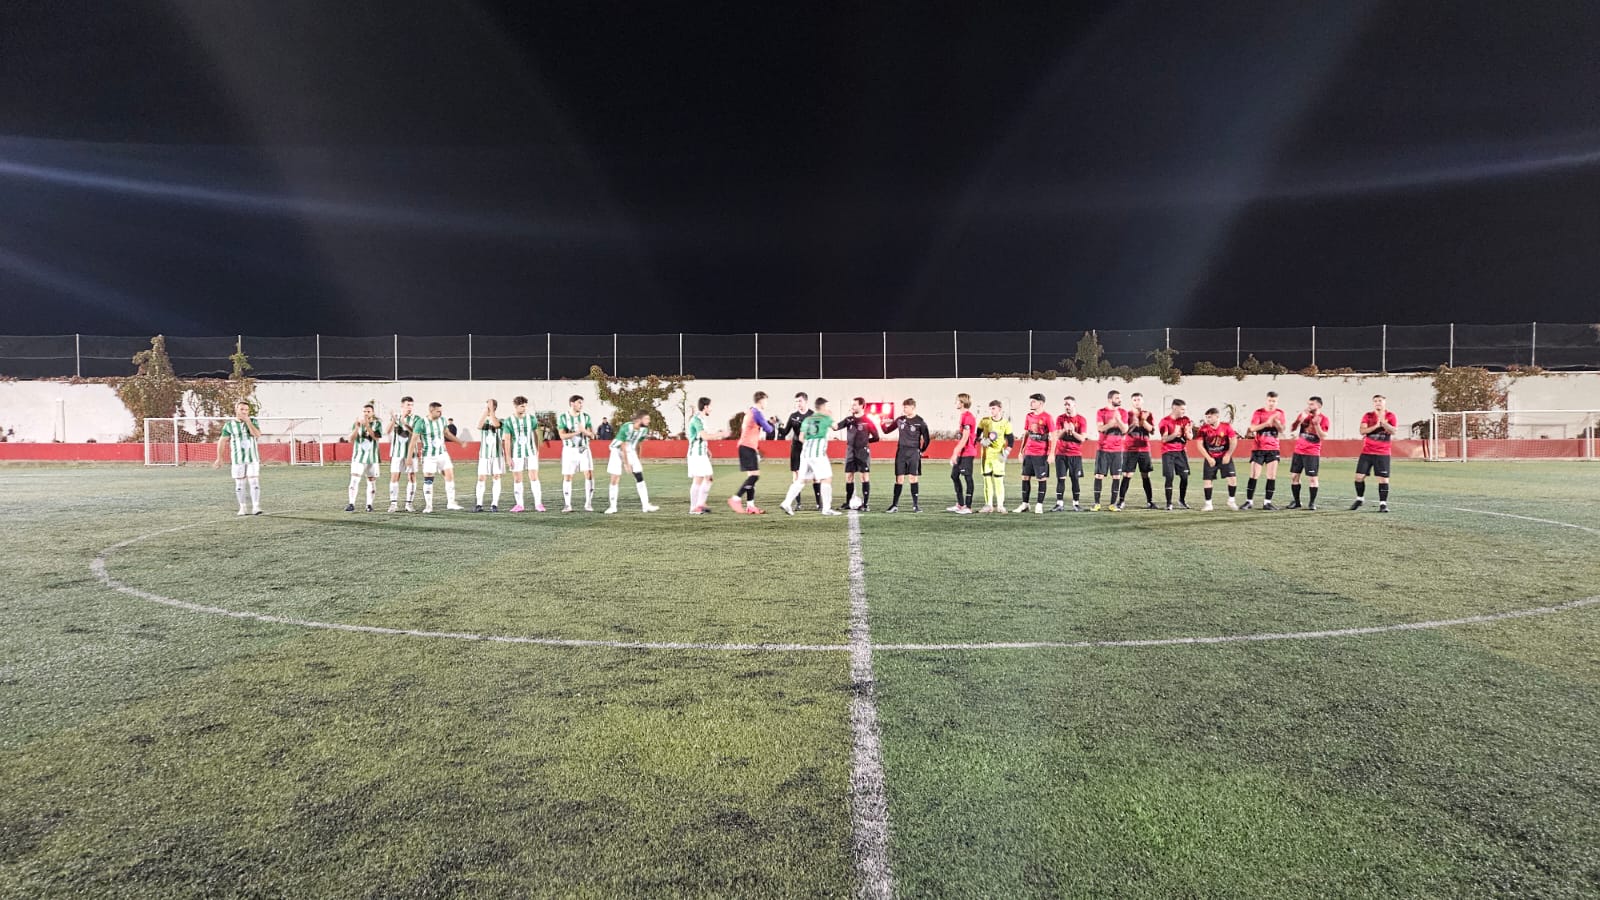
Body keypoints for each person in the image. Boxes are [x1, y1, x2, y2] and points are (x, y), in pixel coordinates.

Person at [780, 397, 842, 516]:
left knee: (801, 479)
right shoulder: (825, 418)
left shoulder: (808, 419)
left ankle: (787, 502)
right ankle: (826, 508)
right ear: (823, 407)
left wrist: (810, 443)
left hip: (805, 453)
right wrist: (831, 416)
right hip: (818, 454)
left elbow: (801, 438)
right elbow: (836, 427)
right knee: (826, 478)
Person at [729, 391, 777, 514]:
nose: (766, 403)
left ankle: (750, 506)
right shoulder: (757, 412)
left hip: (746, 446)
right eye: (766, 400)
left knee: (752, 478)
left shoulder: (750, 411)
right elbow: (769, 429)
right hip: (747, 447)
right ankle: (736, 498)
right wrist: (772, 423)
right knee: (755, 476)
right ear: (761, 400)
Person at [213, 400, 262, 516]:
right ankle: (243, 507)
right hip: (238, 459)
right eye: (242, 409)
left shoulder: (253, 421)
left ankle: (256, 507)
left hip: (252, 458)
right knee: (240, 484)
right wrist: (219, 458)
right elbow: (222, 441)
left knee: (254, 482)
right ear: (236, 410)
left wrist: (248, 422)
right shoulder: (229, 425)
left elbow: (257, 435)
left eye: (246, 410)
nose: (244, 412)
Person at [881, 398, 930, 513]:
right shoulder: (900, 420)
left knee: (913, 478)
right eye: (903, 407)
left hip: (913, 452)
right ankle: (894, 505)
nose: (904, 409)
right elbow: (887, 431)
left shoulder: (920, 421)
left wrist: (921, 450)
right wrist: (882, 424)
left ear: (912, 407)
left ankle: (915, 505)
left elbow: (927, 439)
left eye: (906, 407)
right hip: (901, 452)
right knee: (899, 478)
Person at [605, 410, 660, 513]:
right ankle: (612, 507)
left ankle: (646, 505)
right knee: (615, 478)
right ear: (639, 419)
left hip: (630, 450)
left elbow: (638, 444)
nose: (649, 421)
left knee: (639, 476)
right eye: (646, 418)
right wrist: (626, 464)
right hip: (617, 450)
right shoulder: (627, 427)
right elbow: (622, 445)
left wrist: (637, 459)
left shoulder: (644, 430)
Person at [833, 398, 880, 510]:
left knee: (864, 476)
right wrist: (827, 419)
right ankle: (848, 502)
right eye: (852, 405)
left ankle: (866, 504)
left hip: (863, 452)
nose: (852, 407)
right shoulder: (849, 419)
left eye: (854, 405)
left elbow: (876, 437)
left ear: (861, 406)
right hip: (850, 451)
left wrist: (865, 443)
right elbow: (836, 427)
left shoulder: (868, 420)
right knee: (849, 477)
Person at [418, 402, 466, 512]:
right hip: (429, 455)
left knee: (449, 475)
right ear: (431, 411)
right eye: (438, 411)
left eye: (441, 410)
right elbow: (414, 437)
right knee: (429, 479)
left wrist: (460, 442)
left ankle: (451, 503)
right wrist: (410, 458)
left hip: (442, 453)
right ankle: (428, 506)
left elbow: (447, 433)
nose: (441, 413)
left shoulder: (443, 420)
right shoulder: (422, 422)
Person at [1352, 394, 1397, 512]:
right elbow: (1362, 431)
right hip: (1367, 452)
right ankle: (1360, 499)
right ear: (1373, 403)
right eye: (1376, 401)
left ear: (1384, 402)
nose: (1378, 403)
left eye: (1380, 401)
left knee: (1383, 479)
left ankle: (1383, 504)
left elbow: (1393, 431)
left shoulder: (1390, 416)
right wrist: (1377, 425)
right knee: (1359, 477)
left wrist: (1385, 423)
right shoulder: (1368, 416)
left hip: (1383, 453)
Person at [1242, 391, 1286, 510]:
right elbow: (1252, 428)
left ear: (1277, 401)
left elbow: (1282, 429)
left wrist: (1275, 421)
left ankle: (1267, 502)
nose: (1272, 403)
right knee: (1254, 474)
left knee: (1271, 476)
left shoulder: (1280, 413)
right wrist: (1267, 423)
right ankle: (1249, 502)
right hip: (1259, 448)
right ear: (1266, 400)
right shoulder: (1259, 412)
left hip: (1273, 448)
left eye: (1274, 401)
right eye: (1270, 401)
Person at [502, 395, 545, 513]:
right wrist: (508, 457)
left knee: (534, 477)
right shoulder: (509, 421)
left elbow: (536, 434)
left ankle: (538, 504)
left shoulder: (531, 419)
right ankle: (519, 504)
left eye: (525, 406)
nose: (524, 408)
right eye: (522, 406)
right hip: (516, 454)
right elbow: (507, 439)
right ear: (515, 406)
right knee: (517, 479)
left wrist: (537, 450)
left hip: (530, 453)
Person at [686, 397, 727, 515]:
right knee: (698, 479)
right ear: (705, 407)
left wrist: (707, 449)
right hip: (696, 454)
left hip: (701, 453)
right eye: (710, 406)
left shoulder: (701, 419)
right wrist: (720, 434)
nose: (711, 409)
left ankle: (700, 504)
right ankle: (694, 508)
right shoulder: (697, 420)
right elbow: (704, 436)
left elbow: (699, 437)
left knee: (709, 478)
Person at [1287, 396, 1330, 510]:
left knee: (1312, 478)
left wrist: (1316, 425)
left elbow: (1323, 436)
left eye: (1312, 404)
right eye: (1308, 404)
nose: (1309, 406)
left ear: (1319, 406)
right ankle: (1297, 502)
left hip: (1312, 452)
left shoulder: (1323, 419)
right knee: (1294, 476)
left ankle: (1312, 503)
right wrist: (1299, 420)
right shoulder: (1304, 416)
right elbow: (1292, 428)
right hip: (1298, 451)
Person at [557, 395, 596, 512]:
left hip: (584, 449)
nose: (581, 405)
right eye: (579, 403)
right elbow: (562, 435)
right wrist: (576, 432)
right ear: (572, 403)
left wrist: (585, 431)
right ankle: (568, 505)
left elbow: (593, 435)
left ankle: (588, 503)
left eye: (582, 403)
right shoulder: (563, 417)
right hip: (569, 450)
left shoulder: (586, 417)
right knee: (568, 475)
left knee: (589, 474)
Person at [1014, 393, 1052, 514]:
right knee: (1025, 477)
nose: (1031, 403)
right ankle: (1025, 504)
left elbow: (1053, 436)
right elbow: (1026, 434)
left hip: (1041, 454)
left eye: (1033, 401)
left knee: (1041, 478)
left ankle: (1039, 505)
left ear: (1040, 403)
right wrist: (1021, 451)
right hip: (1029, 453)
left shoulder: (1047, 417)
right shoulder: (1028, 416)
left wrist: (1051, 454)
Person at [1197, 407, 1240, 511]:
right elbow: (1199, 445)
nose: (1208, 419)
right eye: (1207, 417)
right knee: (1208, 481)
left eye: (1210, 417)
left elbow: (1233, 441)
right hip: (1211, 457)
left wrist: (1228, 455)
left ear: (1217, 416)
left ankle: (1231, 500)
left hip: (1224, 457)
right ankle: (1208, 504)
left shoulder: (1226, 427)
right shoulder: (1203, 429)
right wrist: (1208, 458)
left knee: (1232, 479)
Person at [386, 396, 424, 513]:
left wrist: (404, 423)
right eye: (408, 405)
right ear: (402, 406)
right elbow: (387, 431)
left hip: (411, 453)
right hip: (397, 453)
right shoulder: (396, 417)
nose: (410, 407)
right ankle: (393, 504)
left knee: (411, 476)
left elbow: (416, 433)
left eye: (411, 405)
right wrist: (393, 420)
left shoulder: (417, 418)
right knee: (394, 476)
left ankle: (409, 504)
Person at [1093, 389, 1128, 511]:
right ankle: (1096, 503)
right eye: (1117, 398)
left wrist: (1118, 421)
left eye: (1120, 398)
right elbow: (1100, 428)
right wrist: (1111, 423)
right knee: (1099, 475)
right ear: (1110, 399)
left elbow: (1124, 430)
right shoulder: (1101, 412)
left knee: (1116, 476)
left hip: (1117, 450)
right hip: (1103, 449)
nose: (1120, 400)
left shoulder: (1123, 412)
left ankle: (1113, 504)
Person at [1051, 396, 1088, 512]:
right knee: (1061, 479)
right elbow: (1056, 436)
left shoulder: (1081, 419)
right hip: (1061, 454)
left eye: (1069, 404)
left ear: (1074, 405)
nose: (1067, 407)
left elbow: (1082, 438)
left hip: (1075, 455)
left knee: (1075, 479)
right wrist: (1064, 430)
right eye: (1065, 404)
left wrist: (1072, 431)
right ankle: (1059, 504)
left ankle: (1076, 504)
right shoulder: (1060, 419)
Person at [1120, 392, 1157, 509]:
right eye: (1135, 400)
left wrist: (1143, 421)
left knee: (1146, 475)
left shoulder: (1148, 414)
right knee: (1127, 474)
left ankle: (1150, 501)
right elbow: (1123, 431)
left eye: (1139, 399)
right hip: (1130, 449)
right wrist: (1132, 425)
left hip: (1144, 449)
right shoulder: (1126, 414)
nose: (1137, 402)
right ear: (1132, 401)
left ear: (1143, 401)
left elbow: (1152, 430)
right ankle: (1121, 501)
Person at [976, 400, 1014, 513]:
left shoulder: (1006, 423)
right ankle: (988, 505)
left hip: (998, 456)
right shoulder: (984, 421)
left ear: (999, 409)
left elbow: (1011, 440)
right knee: (987, 480)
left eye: (993, 408)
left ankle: (1000, 505)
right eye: (990, 408)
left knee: (998, 481)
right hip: (986, 456)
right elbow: (977, 435)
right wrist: (982, 440)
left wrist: (1006, 452)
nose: (991, 411)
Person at [1157, 399, 1195, 510]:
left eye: (1185, 409)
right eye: (1182, 409)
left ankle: (1182, 500)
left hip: (1181, 452)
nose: (1184, 411)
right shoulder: (1164, 421)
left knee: (1184, 477)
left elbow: (1190, 437)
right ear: (1174, 408)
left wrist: (1188, 432)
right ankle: (1169, 503)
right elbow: (1164, 439)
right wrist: (1174, 434)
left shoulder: (1185, 420)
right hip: (1168, 452)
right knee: (1169, 477)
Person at [346, 403, 383, 512]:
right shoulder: (357, 423)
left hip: (372, 458)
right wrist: (357, 427)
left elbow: (376, 437)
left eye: (368, 411)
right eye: (364, 411)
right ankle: (351, 503)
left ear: (373, 413)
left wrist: (367, 425)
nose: (366, 413)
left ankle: (369, 504)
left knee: (371, 481)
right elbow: (350, 439)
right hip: (358, 457)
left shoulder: (377, 424)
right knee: (354, 480)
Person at [947, 393, 979, 514]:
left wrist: (955, 452)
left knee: (967, 477)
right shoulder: (962, 416)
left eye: (957, 401)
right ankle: (960, 504)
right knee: (954, 476)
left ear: (961, 402)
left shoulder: (968, 417)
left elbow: (965, 438)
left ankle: (968, 507)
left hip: (967, 452)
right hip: (962, 453)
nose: (955, 403)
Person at [474, 399, 504, 512]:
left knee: (496, 477)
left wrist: (491, 411)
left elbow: (496, 424)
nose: (486, 409)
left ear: (494, 408)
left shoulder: (501, 420)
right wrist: (485, 412)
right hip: (484, 455)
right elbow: (479, 425)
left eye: (488, 407)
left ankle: (494, 504)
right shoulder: (484, 421)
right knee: (481, 478)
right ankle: (479, 504)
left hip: (496, 454)